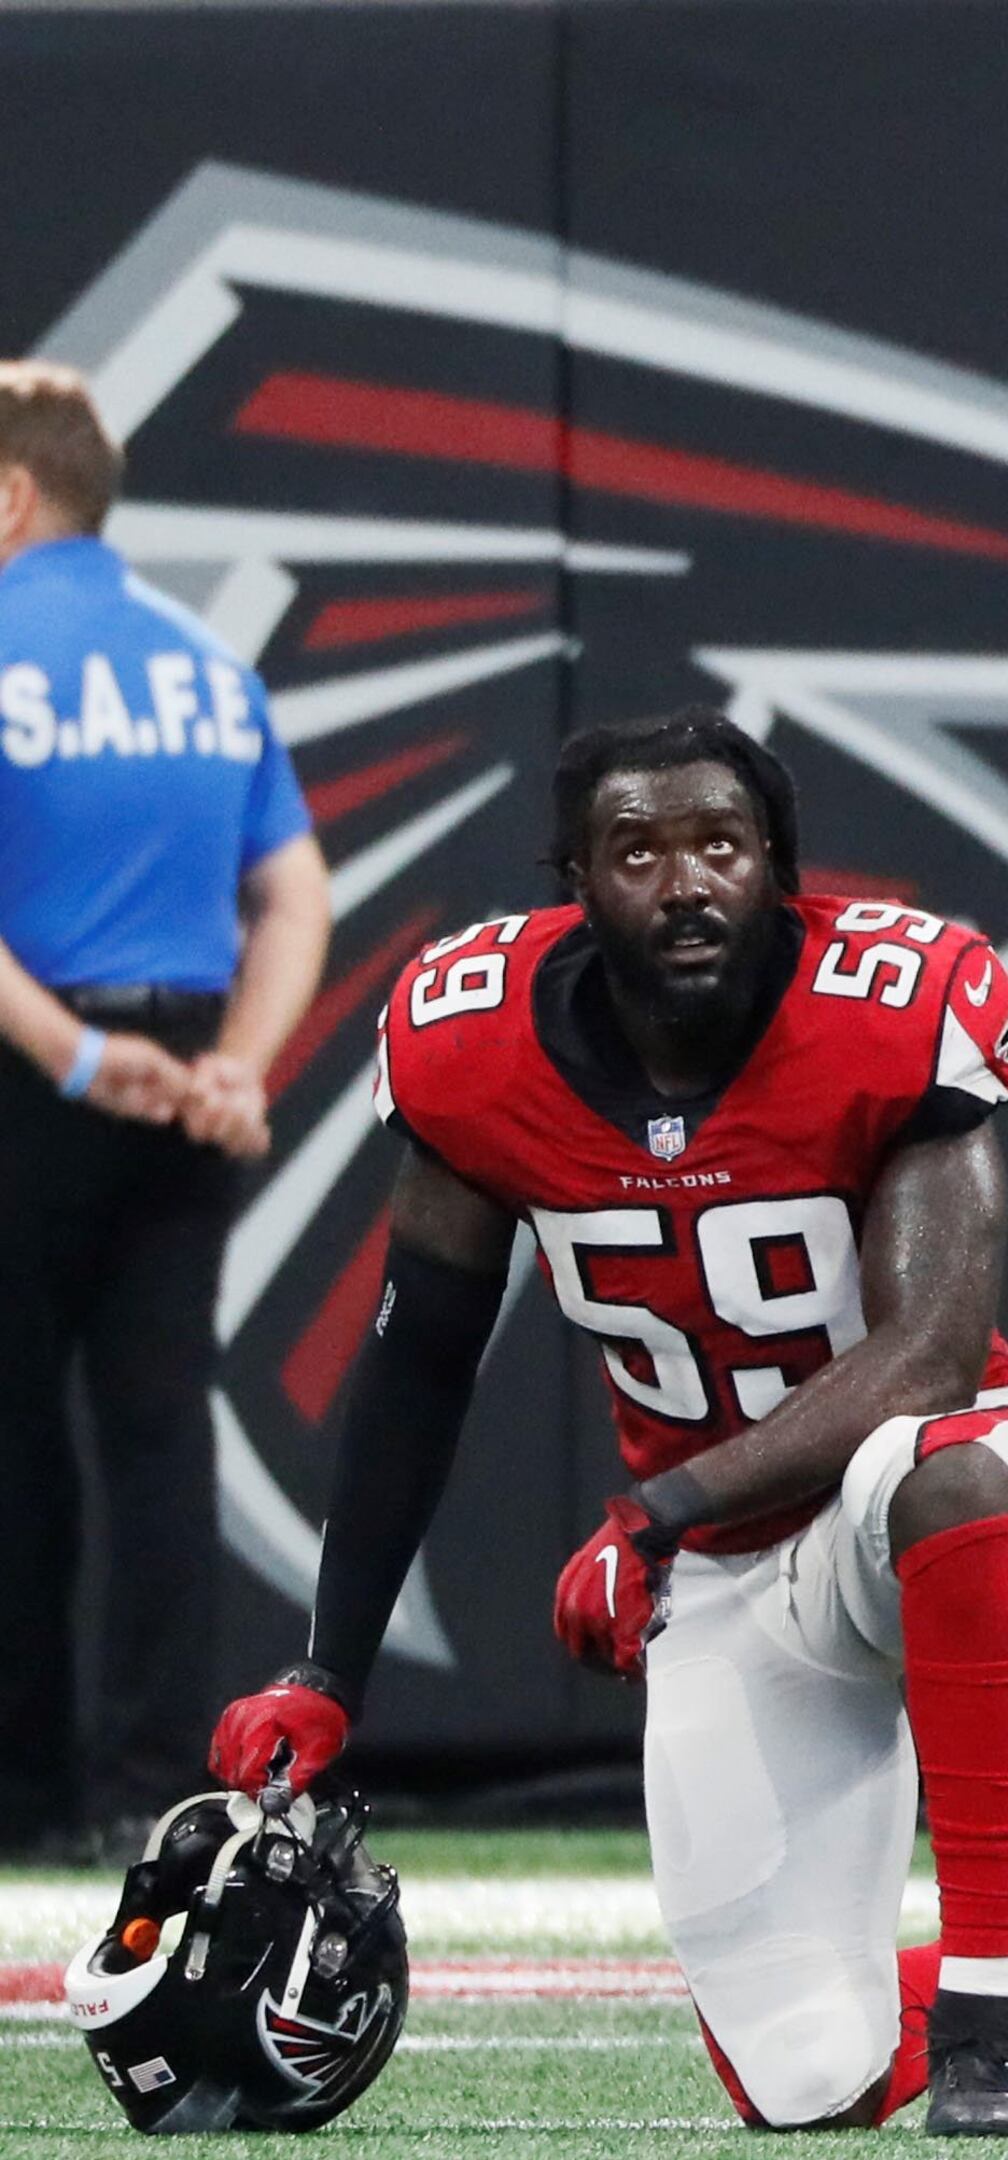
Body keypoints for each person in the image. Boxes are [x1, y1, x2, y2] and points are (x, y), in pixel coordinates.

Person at [201, 711, 1008, 2134]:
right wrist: (330, 1672)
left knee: (937, 1475)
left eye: (720, 846)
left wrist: (653, 1511)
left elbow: (930, 1357)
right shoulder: (474, 1046)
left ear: (779, 871)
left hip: (971, 1471)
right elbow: (417, 1365)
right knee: (810, 2080)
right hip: (738, 1569)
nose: (684, 881)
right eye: (636, 850)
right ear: (576, 877)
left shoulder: (887, 1003)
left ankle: (992, 2017)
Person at [0, 360, 329, 1857]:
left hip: (31, 1070)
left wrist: (72, 1054)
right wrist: (240, 1066)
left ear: (9, 496)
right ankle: (154, 1786)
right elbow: (292, 891)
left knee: (15, 1439)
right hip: (189, 1080)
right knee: (155, 1434)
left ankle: (23, 1792)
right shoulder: (204, 662)